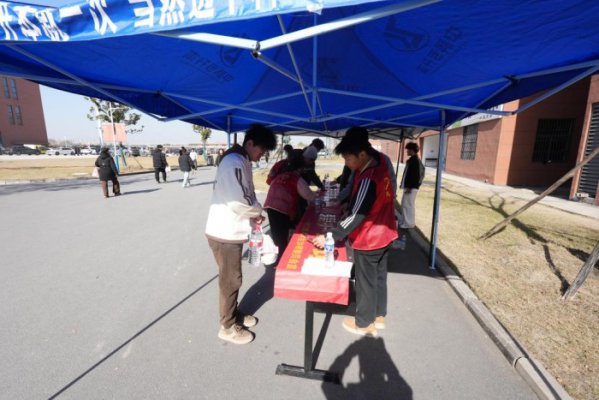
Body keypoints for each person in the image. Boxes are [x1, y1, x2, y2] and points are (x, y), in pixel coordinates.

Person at [313, 127, 397, 337]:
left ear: (362, 154)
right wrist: (347, 203)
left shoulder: (369, 176)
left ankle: (364, 323)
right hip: (386, 231)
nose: (347, 163)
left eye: (348, 158)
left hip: (370, 237)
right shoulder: (379, 164)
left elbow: (358, 214)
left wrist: (331, 235)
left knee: (365, 281)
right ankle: (379, 315)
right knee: (379, 277)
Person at [205, 124, 277, 345]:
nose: (261, 155)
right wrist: (257, 211)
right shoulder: (234, 162)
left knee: (232, 277)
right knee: (231, 280)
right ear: (250, 143)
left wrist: (254, 213)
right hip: (224, 232)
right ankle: (227, 326)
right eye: (261, 150)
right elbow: (239, 199)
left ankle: (233, 314)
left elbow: (246, 194)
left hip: (231, 229)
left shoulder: (241, 160)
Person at [264, 149, 318, 264]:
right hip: (281, 208)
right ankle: (281, 261)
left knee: (277, 234)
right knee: (281, 237)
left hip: (270, 206)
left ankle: (279, 258)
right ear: (300, 168)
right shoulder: (296, 178)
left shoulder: (282, 174)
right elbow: (308, 195)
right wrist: (318, 196)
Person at [335, 127, 397, 205]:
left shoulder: (381, 160)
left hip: (379, 206)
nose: (346, 163)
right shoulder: (358, 160)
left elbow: (392, 184)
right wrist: (345, 202)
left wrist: (390, 201)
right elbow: (352, 185)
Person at [399, 142, 425, 229]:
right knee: (405, 204)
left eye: (408, 150)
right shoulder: (413, 160)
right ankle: (405, 221)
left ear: (412, 150)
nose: (407, 151)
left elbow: (416, 176)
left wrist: (410, 187)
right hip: (410, 187)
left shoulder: (415, 161)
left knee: (408, 205)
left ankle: (408, 224)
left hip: (411, 188)